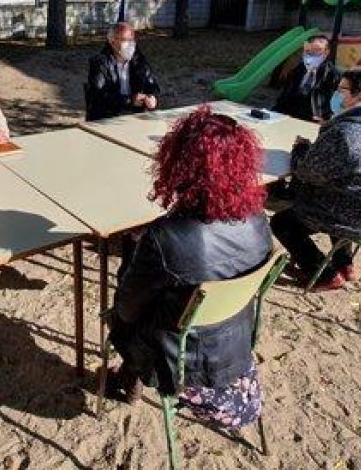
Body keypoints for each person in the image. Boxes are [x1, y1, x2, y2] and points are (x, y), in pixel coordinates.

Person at [105, 107, 273, 429]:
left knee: (128, 310)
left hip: (180, 363)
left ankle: (129, 379)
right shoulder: (258, 220)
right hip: (236, 343)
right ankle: (130, 379)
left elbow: (126, 310)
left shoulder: (165, 236)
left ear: (179, 164)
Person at [271, 66, 361, 291]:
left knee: (283, 221)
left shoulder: (346, 133)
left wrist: (301, 149)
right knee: (345, 197)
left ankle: (325, 274)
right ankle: (345, 264)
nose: (336, 95)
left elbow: (307, 172)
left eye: (342, 90)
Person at [86, 22, 161, 121]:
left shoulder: (138, 60)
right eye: (126, 40)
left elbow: (151, 83)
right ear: (112, 42)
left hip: (136, 115)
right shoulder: (100, 63)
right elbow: (99, 96)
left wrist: (152, 97)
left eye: (132, 40)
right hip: (107, 117)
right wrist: (130, 100)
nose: (131, 44)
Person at [273, 32, 341, 122]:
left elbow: (337, 105)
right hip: (289, 115)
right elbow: (284, 97)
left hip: (315, 119)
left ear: (326, 53)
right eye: (307, 51)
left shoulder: (332, 75)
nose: (311, 55)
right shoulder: (297, 70)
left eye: (316, 51)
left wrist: (328, 119)